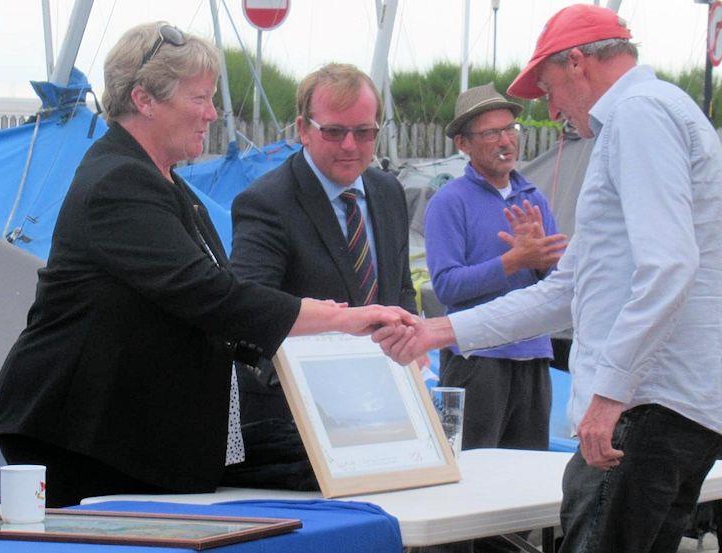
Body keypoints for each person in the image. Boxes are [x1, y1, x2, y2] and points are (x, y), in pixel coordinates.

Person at [0, 22, 410, 508]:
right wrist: (340, 317)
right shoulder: (118, 181)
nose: (212, 114)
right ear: (145, 100)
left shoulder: (165, 184)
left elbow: (215, 304)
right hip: (80, 434)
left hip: (132, 432)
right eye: (200, 99)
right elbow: (209, 295)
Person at [374, 5, 722, 552]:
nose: (550, 109)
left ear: (578, 63)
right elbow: (569, 290)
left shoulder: (637, 116)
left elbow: (670, 265)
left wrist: (610, 393)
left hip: (642, 409)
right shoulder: (659, 112)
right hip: (669, 405)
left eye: (549, 88)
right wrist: (436, 332)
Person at [225, 63, 418, 490]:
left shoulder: (388, 192)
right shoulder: (265, 203)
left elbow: (401, 289)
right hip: (296, 427)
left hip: (385, 415)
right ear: (303, 128)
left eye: (364, 132)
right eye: (334, 132)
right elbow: (251, 313)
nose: (350, 145)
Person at [424, 83, 565, 553]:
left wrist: (541, 261)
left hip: (534, 356)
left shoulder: (533, 196)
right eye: (491, 133)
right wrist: (512, 261)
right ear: (463, 144)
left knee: (526, 484)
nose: (506, 140)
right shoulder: (449, 202)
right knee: (473, 483)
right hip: (475, 361)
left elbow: (557, 282)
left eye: (511, 129)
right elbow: (445, 288)